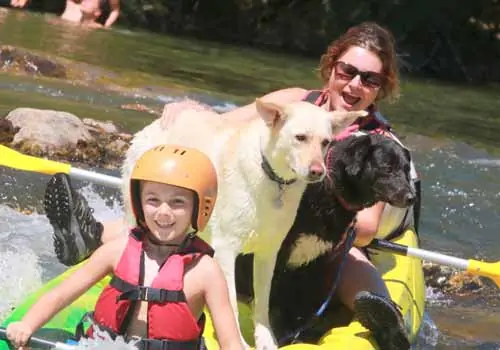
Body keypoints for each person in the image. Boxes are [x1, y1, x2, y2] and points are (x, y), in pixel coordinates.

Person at [42, 22, 419, 349]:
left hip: (321, 237)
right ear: (331, 66)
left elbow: (368, 227)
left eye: (368, 79)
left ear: (380, 88)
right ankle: (91, 237)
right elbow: (225, 124)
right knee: (174, 217)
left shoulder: (379, 142)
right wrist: (187, 107)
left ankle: (381, 313)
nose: (354, 84)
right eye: (347, 70)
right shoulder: (292, 101)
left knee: (350, 250)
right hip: (263, 212)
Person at [6, 145, 244, 350]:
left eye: (177, 202)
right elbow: (61, 293)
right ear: (139, 203)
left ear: (201, 207)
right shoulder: (116, 251)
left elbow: (230, 342)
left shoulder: (206, 271)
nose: (163, 212)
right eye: (153, 200)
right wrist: (27, 324)